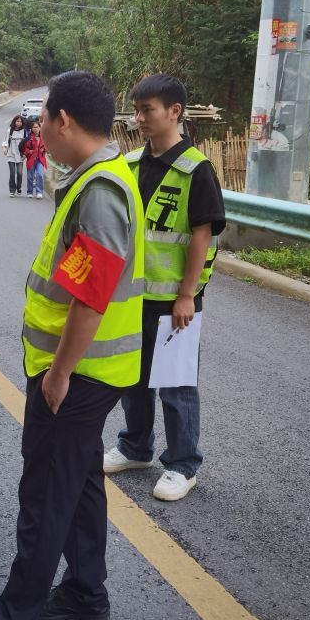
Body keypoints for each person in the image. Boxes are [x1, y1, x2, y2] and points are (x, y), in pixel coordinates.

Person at [0, 70, 144, 620]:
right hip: (91, 371)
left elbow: (92, 299)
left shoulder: (99, 191)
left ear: (63, 120)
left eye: (44, 116)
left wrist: (59, 374)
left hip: (78, 374)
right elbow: (79, 279)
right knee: (80, 485)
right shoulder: (98, 177)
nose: (39, 127)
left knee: (46, 495)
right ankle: (85, 593)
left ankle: (12, 618)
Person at [103, 74, 225, 502]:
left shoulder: (197, 170)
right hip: (133, 296)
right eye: (136, 110)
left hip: (176, 300)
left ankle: (182, 465)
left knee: (175, 384)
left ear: (174, 111)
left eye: (147, 110)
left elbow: (200, 236)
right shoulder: (132, 164)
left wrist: (187, 294)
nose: (139, 118)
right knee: (132, 379)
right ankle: (135, 448)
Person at [2, 114, 27, 197]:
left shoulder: (24, 131)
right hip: (11, 154)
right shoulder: (10, 130)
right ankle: (12, 190)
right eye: (17, 121)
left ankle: (19, 187)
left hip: (20, 155)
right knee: (12, 173)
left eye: (20, 121)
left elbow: (27, 143)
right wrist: (5, 148)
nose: (19, 123)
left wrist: (25, 154)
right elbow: (5, 141)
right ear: (14, 121)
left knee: (19, 173)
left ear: (22, 123)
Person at [23, 121, 47, 199]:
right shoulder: (29, 138)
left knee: (40, 174)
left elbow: (48, 147)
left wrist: (44, 149)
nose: (35, 129)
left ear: (40, 128)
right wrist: (28, 151)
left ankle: (39, 192)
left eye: (37, 127)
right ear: (31, 129)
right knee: (30, 176)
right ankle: (29, 192)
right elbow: (24, 148)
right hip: (31, 159)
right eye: (34, 127)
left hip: (40, 159)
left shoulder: (43, 137)